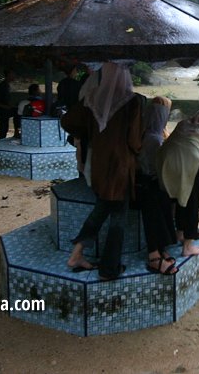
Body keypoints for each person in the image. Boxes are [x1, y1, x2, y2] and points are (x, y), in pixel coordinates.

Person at [62, 62, 143, 280]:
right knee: (118, 216)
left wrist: (90, 132)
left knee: (102, 207)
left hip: (97, 165)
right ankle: (109, 268)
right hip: (120, 167)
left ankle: (77, 253)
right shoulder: (132, 101)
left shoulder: (92, 99)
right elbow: (135, 141)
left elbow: (67, 122)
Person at [156, 109, 199, 257]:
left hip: (165, 160)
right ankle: (187, 246)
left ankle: (178, 233)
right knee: (191, 202)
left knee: (175, 199)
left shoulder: (189, 122)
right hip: (187, 162)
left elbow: (188, 141)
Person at [136, 96, 178, 275]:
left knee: (163, 199)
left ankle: (161, 247)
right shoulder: (153, 139)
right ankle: (154, 253)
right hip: (145, 185)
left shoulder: (149, 134)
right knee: (155, 202)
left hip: (148, 182)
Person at [0, 69, 21, 139]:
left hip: (4, 109)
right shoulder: (2, 86)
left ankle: (16, 132)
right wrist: (6, 107)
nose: (14, 76)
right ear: (8, 75)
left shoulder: (6, 85)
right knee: (3, 129)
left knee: (17, 112)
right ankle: (3, 140)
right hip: (1, 110)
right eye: (12, 74)